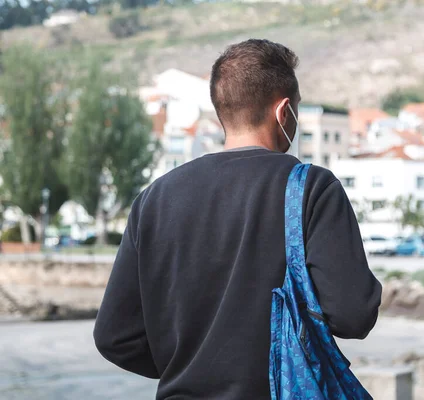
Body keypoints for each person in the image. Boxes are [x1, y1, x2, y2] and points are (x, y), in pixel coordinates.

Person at [93, 39, 382, 400]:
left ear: (221, 112)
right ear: (284, 111)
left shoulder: (154, 198)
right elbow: (353, 315)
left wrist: (185, 367)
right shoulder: (312, 188)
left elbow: (114, 337)